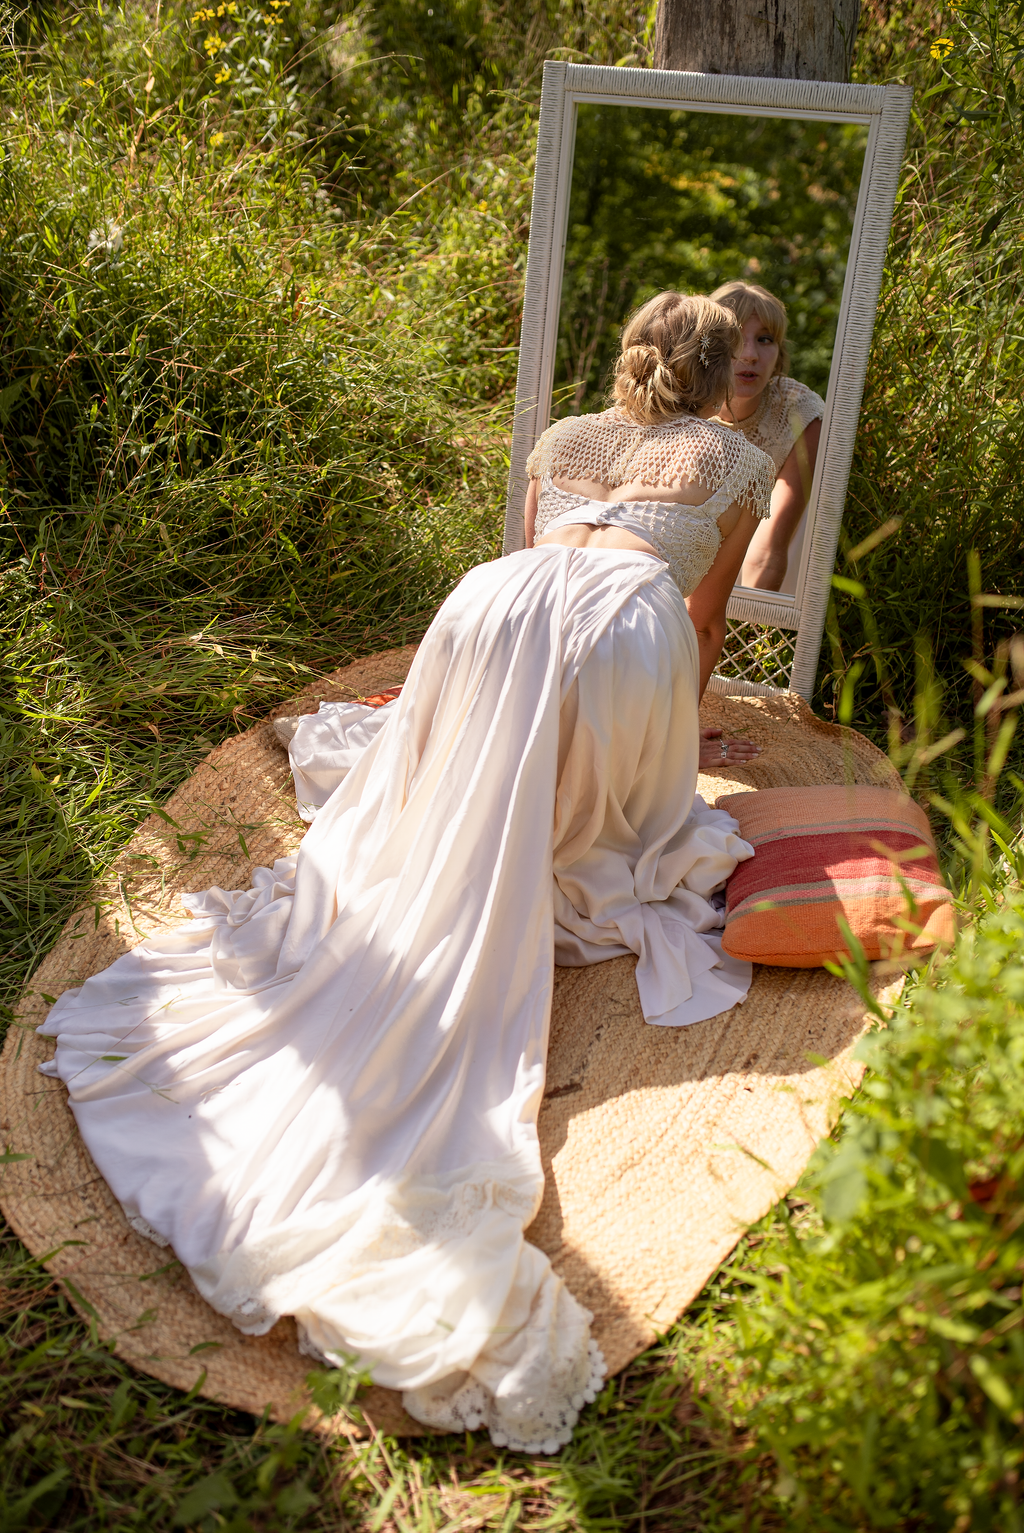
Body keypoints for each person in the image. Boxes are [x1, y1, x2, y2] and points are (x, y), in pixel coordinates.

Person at [37, 293, 775, 1455]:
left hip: (486, 616)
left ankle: (486, 799)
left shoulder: (560, 438)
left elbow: (524, 563)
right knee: (634, 795)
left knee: (459, 770)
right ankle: (583, 826)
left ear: (629, 359)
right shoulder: (737, 456)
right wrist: (683, 747)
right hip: (620, 631)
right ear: (728, 375)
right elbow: (706, 620)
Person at [708, 280, 825, 592]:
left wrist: (746, 636)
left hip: (764, 586)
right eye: (734, 338)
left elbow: (768, 554)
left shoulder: (799, 413)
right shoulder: (677, 402)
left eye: (764, 339)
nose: (749, 355)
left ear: (779, 352)